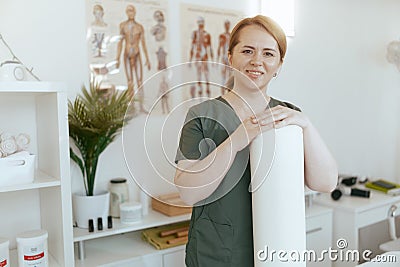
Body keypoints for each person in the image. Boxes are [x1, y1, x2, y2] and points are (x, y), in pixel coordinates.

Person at [174, 15, 338, 267]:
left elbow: (325, 183)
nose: (257, 61)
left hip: (277, 251)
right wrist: (237, 139)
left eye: (268, 54)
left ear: (279, 64)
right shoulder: (202, 115)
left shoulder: (288, 115)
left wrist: (306, 124)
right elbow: (187, 193)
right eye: (247, 50)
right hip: (216, 255)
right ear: (230, 57)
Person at [116, 4, 151, 112]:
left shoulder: (139, 27)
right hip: (126, 54)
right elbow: (120, 43)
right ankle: (131, 107)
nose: (131, 13)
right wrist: (117, 58)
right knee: (130, 81)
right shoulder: (122, 26)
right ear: (127, 13)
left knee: (140, 81)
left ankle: (141, 106)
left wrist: (147, 59)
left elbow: (143, 43)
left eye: (132, 11)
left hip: (137, 54)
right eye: (129, 11)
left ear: (135, 12)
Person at [189, 16, 213, 97]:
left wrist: (212, 59)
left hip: (205, 55)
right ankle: (200, 90)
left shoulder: (207, 34)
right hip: (198, 55)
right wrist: (190, 60)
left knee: (206, 73)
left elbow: (210, 47)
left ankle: (207, 89)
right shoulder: (195, 34)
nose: (201, 25)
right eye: (199, 24)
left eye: (202, 23)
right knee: (198, 73)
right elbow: (192, 47)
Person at [217, 19, 231, 95]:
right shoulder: (222, 36)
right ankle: (222, 94)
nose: (227, 26)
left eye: (228, 24)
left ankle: (228, 94)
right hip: (224, 56)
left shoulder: (231, 35)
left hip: (230, 57)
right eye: (226, 24)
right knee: (223, 74)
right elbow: (220, 47)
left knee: (229, 75)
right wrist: (217, 58)